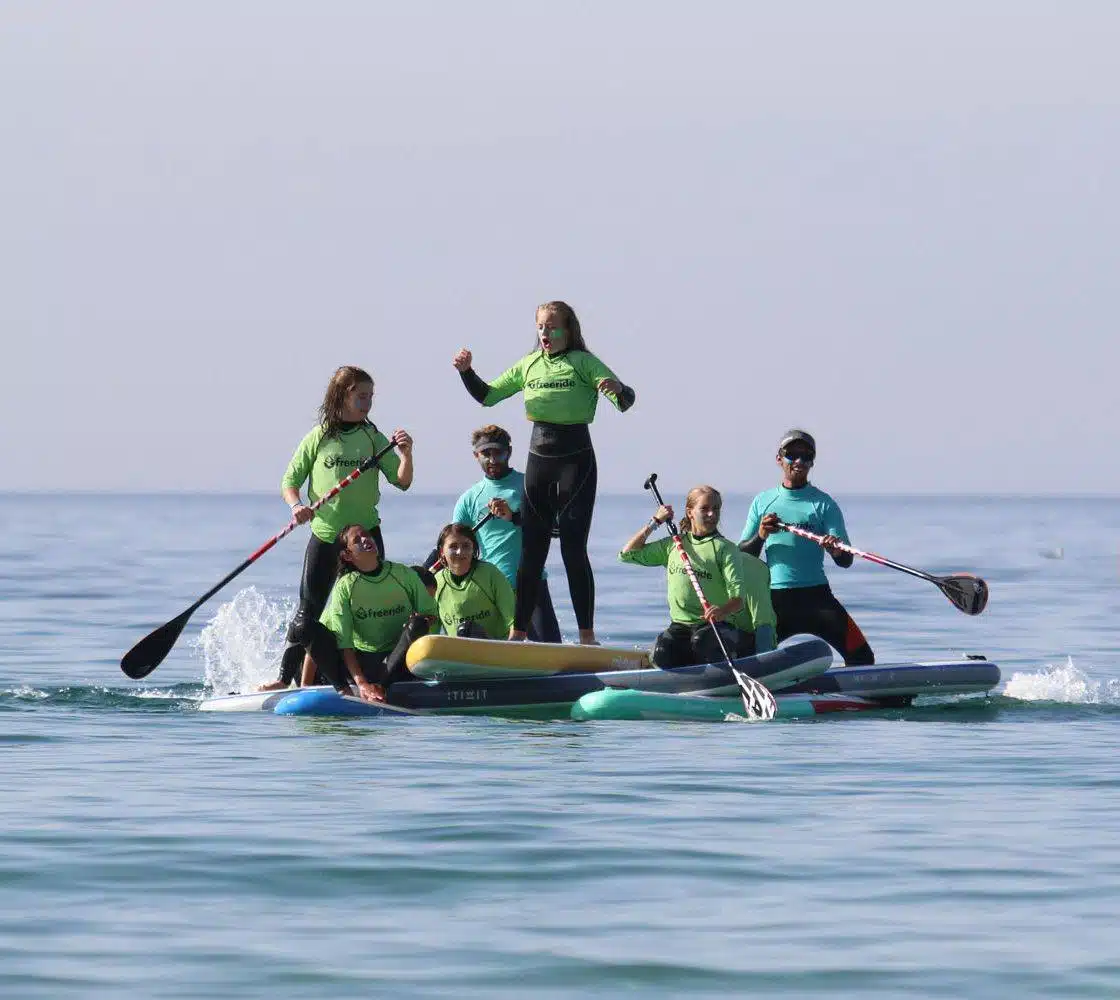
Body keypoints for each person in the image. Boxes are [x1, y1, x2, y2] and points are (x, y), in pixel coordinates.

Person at [452, 301, 635, 645]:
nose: (545, 334)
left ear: (569, 330)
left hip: (575, 462)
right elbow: (487, 396)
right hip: (539, 460)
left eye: (553, 327)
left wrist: (618, 390)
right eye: (540, 327)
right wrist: (466, 371)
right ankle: (517, 633)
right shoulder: (529, 365)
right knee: (532, 551)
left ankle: (587, 636)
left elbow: (625, 401)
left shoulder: (583, 362)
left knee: (572, 550)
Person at [262, 365, 414, 691]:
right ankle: (284, 679)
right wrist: (297, 506)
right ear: (342, 396)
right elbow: (290, 482)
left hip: (366, 538)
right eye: (361, 396)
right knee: (309, 611)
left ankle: (371, 674)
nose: (368, 403)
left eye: (371, 396)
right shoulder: (318, 438)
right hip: (327, 537)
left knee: (365, 608)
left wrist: (406, 454)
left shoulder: (373, 437)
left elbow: (402, 482)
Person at [738, 429, 874, 665]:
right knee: (744, 660)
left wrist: (835, 549)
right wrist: (760, 535)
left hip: (817, 598)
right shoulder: (763, 501)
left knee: (862, 657)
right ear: (779, 459)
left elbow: (846, 561)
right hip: (776, 599)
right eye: (792, 454)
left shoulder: (823, 503)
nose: (799, 461)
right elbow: (742, 556)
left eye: (806, 456)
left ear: (812, 461)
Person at [619, 486, 777, 667]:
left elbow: (738, 599)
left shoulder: (725, 548)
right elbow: (627, 554)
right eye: (705, 508)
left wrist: (722, 611)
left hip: (717, 627)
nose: (712, 514)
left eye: (716, 509)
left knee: (702, 642)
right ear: (690, 512)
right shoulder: (674, 545)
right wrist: (655, 522)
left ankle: (734, 664)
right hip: (681, 626)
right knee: (661, 652)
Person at [441, 424, 561, 642]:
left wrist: (514, 517)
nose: (493, 460)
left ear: (510, 452)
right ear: (476, 455)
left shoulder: (529, 485)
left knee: (552, 649)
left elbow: (556, 529)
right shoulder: (469, 499)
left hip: (531, 584)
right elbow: (452, 544)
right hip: (490, 589)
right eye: (486, 454)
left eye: (499, 453)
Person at [301, 524, 437, 702]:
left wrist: (422, 620)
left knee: (418, 624)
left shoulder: (403, 574)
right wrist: (362, 683)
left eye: (366, 535)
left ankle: (381, 687)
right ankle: (344, 690)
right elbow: (345, 644)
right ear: (347, 555)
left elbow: (431, 615)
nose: (365, 539)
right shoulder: (345, 587)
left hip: (396, 662)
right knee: (303, 626)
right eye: (357, 540)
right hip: (361, 663)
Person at [431, 522, 516, 640]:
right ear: (441, 552)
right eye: (453, 546)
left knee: (467, 629)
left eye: (466, 546)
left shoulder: (490, 573)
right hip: (456, 654)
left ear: (474, 549)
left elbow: (514, 621)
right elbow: (431, 633)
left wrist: (510, 650)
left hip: (496, 649)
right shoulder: (437, 582)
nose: (460, 552)